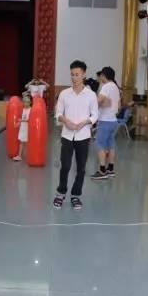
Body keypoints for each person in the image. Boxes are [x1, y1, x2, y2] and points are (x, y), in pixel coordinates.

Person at [52, 61, 98, 210]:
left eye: (77, 74)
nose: (74, 77)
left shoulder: (91, 95)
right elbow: (58, 113)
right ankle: (60, 193)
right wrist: (66, 121)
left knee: (81, 168)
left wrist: (85, 122)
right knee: (65, 166)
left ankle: (76, 195)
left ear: (83, 75)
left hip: (83, 136)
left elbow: (95, 115)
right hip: (67, 135)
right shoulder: (64, 94)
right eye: (72, 74)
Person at [91, 67, 121, 180]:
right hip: (113, 120)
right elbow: (118, 105)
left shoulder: (106, 87)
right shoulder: (115, 87)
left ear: (104, 75)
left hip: (105, 121)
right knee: (111, 145)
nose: (100, 77)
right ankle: (110, 169)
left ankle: (102, 170)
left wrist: (93, 102)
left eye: (101, 75)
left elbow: (98, 101)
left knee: (99, 144)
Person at [13, 95, 32, 161]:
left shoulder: (31, 110)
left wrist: (21, 121)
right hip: (23, 128)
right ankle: (20, 156)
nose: (25, 104)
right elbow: (22, 118)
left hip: (27, 128)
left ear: (30, 102)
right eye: (24, 102)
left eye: (26, 102)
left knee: (27, 143)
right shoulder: (23, 109)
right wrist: (19, 123)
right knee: (21, 142)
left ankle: (28, 155)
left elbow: (30, 120)